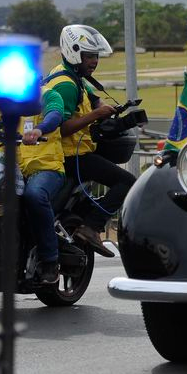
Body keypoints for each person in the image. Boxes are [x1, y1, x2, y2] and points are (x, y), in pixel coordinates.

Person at [50, 24, 135, 256]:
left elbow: (90, 92)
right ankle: (92, 227)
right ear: (73, 52)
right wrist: (95, 115)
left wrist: (100, 105)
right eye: (89, 56)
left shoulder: (72, 76)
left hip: (76, 154)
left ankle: (80, 220)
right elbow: (59, 128)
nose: (94, 61)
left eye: (96, 56)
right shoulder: (66, 85)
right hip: (71, 157)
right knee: (127, 182)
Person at [19, 82, 68, 285]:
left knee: (34, 195)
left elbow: (55, 114)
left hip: (47, 167)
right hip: (12, 167)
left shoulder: (48, 95)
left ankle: (50, 261)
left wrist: (39, 130)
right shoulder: (1, 101)